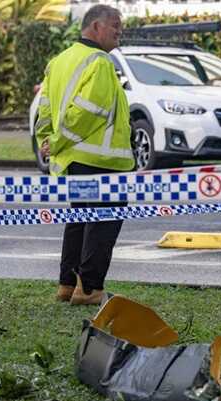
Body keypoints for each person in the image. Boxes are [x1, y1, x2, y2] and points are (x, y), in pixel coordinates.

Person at [35, 4, 135, 305]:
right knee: (103, 223)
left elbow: (46, 110)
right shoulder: (100, 62)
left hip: (74, 162)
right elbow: (91, 112)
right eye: (114, 25)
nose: (120, 31)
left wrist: (48, 140)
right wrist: (60, 140)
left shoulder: (59, 61)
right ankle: (89, 289)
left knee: (79, 219)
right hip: (102, 161)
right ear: (95, 27)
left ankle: (68, 284)